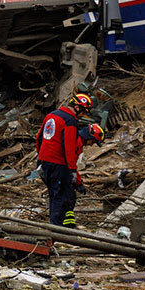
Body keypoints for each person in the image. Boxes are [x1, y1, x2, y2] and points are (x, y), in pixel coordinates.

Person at [36, 93, 93, 227]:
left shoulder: (51, 115)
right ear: (78, 108)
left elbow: (39, 138)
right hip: (59, 164)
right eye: (83, 112)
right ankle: (57, 231)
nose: (82, 116)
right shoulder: (70, 121)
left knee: (53, 195)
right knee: (60, 198)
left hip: (45, 162)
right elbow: (68, 147)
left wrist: (40, 158)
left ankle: (54, 227)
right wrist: (72, 170)